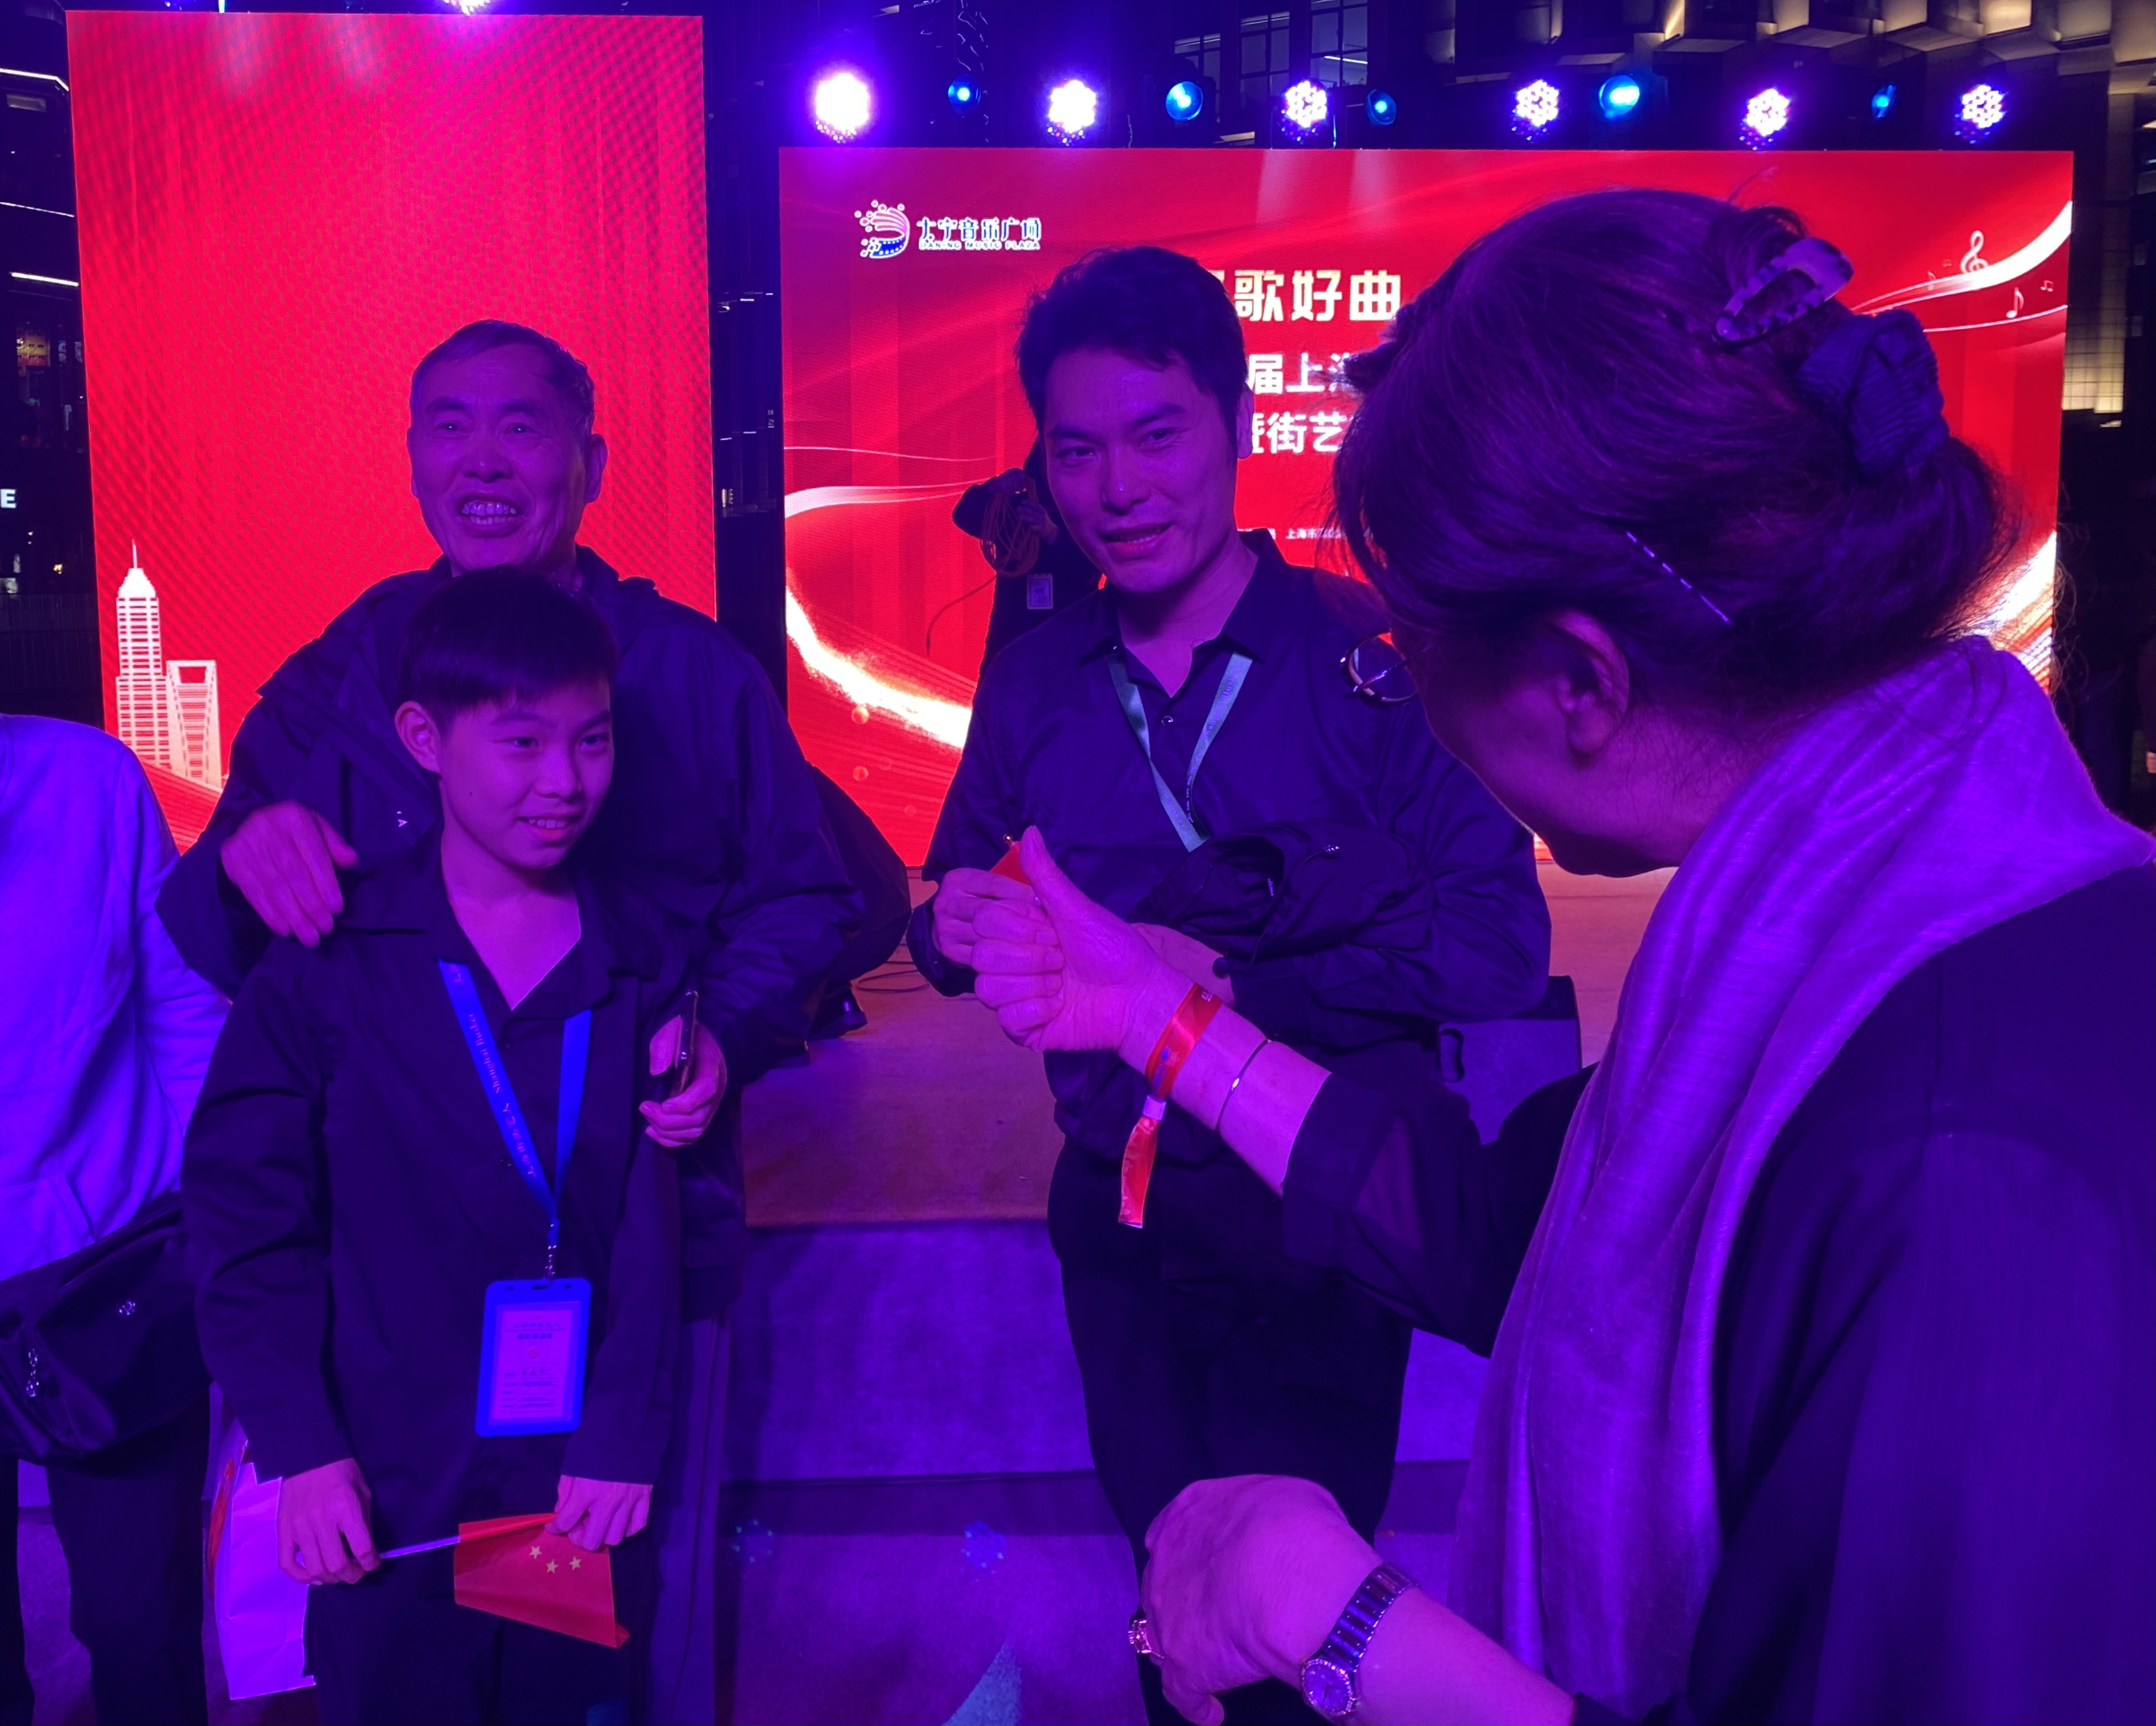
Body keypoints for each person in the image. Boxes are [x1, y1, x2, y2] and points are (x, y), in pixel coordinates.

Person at [965, 192, 2155, 1724]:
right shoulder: (1852, 897)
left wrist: (1347, 1624)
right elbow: (1512, 1226)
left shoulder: (1955, 1156)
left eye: (1414, 642)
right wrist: (1153, 1013)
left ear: (1578, 682)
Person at [156, 320, 858, 1723]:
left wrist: (720, 1033)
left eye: (520, 426)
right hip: (390, 1302)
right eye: (450, 425)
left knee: (597, 1661)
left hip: (622, 1272)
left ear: (589, 462)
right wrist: (243, 852)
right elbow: (232, 941)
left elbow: (813, 893)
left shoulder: (687, 672)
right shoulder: (353, 664)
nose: (483, 460)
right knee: (395, 1663)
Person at [910, 246, 1549, 1724]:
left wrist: (1223, 980)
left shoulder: (1371, 656)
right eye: (1076, 450)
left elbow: (1496, 940)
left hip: (1313, 1210)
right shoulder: (1036, 677)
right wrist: (954, 922)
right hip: (1119, 1213)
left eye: (1156, 434)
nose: (1117, 487)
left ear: (1239, 422)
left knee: (1285, 1633)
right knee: (1169, 1619)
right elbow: (952, 888)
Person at [185, 574, 706, 1722]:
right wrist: (301, 1444)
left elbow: (652, 1223)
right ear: (423, 737)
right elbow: (247, 1219)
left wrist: (622, 1433)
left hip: (571, 1477)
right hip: (383, 1472)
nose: (562, 780)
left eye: (591, 739)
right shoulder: (329, 958)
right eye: (521, 741)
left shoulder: (641, 959)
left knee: (569, 1706)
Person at [0, 716, 227, 1726]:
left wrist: (201, 1221)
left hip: (108, 1275)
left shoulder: (90, 779)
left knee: (142, 1624)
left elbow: (181, 1010)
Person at [949, 439, 1100, 673]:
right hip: (1012, 637)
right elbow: (964, 514)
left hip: (1069, 642)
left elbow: (1090, 571)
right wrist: (995, 487)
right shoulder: (1014, 508)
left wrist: (1052, 534)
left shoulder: (1084, 513)